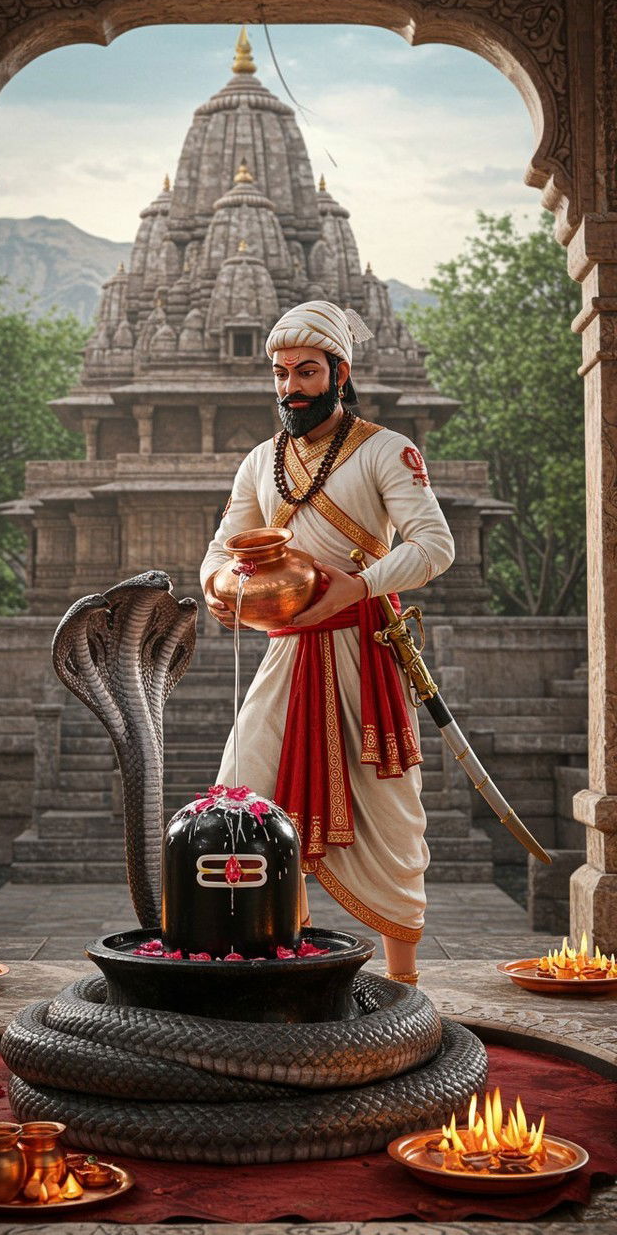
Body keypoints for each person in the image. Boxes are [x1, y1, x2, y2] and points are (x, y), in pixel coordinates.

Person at [200, 301, 454, 983]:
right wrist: (223, 589)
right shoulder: (261, 461)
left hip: (365, 650)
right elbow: (220, 553)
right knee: (243, 799)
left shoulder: (384, 449)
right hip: (286, 653)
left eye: (306, 371)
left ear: (340, 372)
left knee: (390, 816)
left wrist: (361, 585)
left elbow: (436, 547)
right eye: (281, 374)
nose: (292, 386)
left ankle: (405, 982)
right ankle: (297, 967)